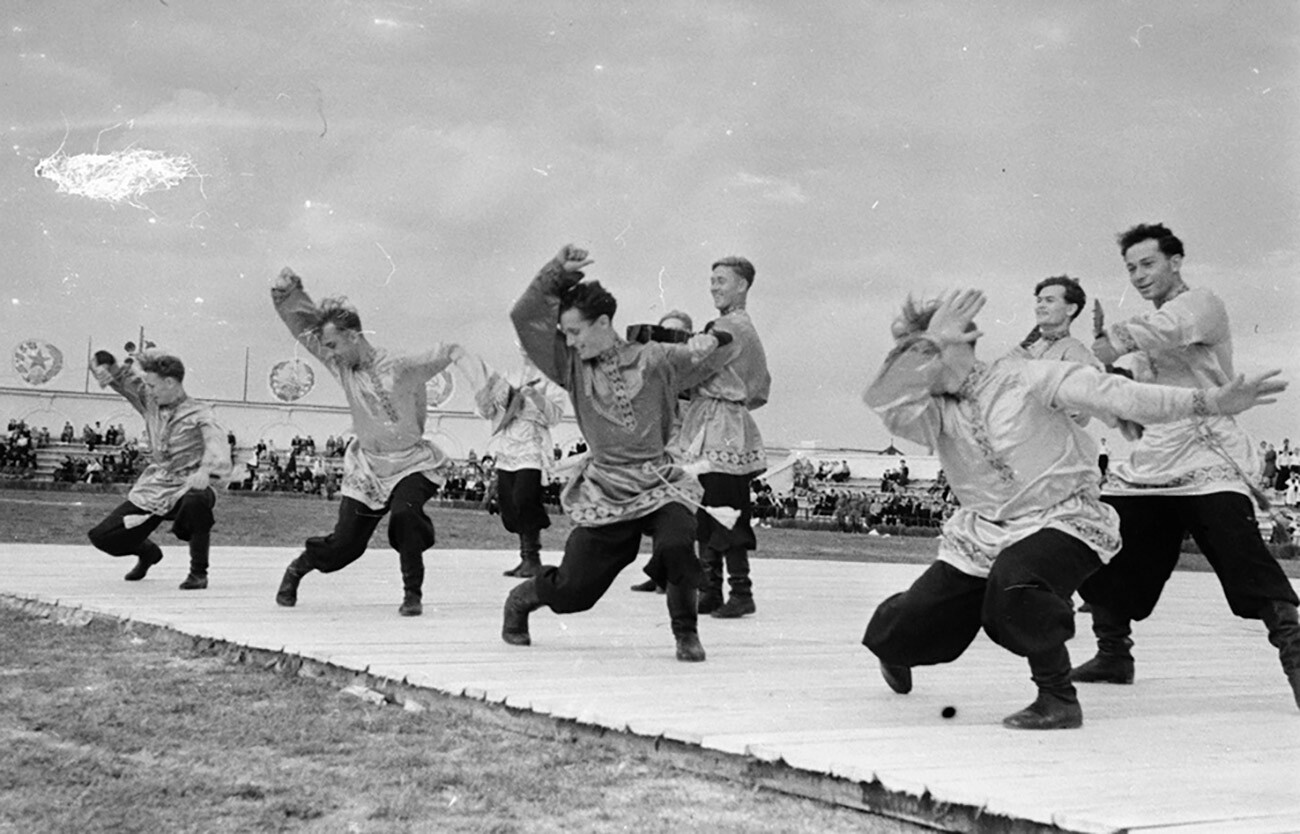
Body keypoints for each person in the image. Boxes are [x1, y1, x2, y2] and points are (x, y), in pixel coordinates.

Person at [861, 288, 1285, 729]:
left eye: (922, 350)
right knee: (911, 623)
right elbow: (884, 400)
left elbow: (1121, 396)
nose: (913, 363)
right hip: (983, 533)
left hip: (1063, 520)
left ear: (963, 339)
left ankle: (1058, 699)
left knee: (1017, 580)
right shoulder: (934, 413)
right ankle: (896, 649)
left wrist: (1210, 402)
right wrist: (931, 340)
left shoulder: (1028, 378)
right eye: (910, 352)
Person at [1072, 223, 1300, 710]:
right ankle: (1113, 653)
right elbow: (1132, 387)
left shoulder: (1202, 304)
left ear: (1176, 262)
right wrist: (1105, 374)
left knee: (1244, 561)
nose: (1137, 275)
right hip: (1152, 462)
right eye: (1130, 268)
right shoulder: (1144, 331)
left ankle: (1296, 657)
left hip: (1207, 454)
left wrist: (1111, 340)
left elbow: (1167, 328)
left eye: (1147, 264)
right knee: (1105, 540)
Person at [501, 244, 727, 662]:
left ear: (604, 322)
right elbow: (523, 317)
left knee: (678, 543)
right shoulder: (569, 364)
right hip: (606, 488)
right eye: (565, 333)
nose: (569, 340)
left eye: (575, 331)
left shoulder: (655, 357)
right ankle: (522, 599)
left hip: (660, 481)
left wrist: (710, 340)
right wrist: (556, 274)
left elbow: (715, 353)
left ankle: (686, 633)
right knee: (575, 593)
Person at [270, 267, 464, 617]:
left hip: (412, 462)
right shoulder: (342, 368)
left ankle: (412, 594)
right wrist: (288, 295)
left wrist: (465, 359)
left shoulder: (402, 365)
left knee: (405, 515)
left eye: (333, 344)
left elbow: (445, 353)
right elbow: (306, 332)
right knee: (346, 544)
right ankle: (298, 568)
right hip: (368, 467)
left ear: (354, 336)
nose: (329, 352)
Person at [670, 257, 771, 618]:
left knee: (723, 506)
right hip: (718, 422)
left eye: (721, 280)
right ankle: (712, 588)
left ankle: (739, 592)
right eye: (711, 280)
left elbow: (694, 367)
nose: (713, 286)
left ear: (742, 285)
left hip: (719, 425)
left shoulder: (728, 328)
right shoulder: (744, 328)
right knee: (707, 504)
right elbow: (762, 387)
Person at [87, 351, 231, 589]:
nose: (149, 390)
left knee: (196, 501)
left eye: (153, 385)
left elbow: (215, 441)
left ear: (170, 383)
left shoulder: (199, 412)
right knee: (103, 537)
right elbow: (124, 380)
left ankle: (198, 573)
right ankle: (148, 553)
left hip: (189, 486)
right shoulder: (150, 401)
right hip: (155, 487)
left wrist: (205, 470)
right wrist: (107, 364)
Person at [459, 350, 568, 578]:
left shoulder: (550, 378)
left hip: (532, 444)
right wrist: (487, 398)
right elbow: (488, 412)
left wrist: (536, 397)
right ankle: (525, 558)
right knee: (508, 503)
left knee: (524, 497)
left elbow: (555, 416)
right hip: (507, 445)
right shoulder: (509, 375)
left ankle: (533, 557)